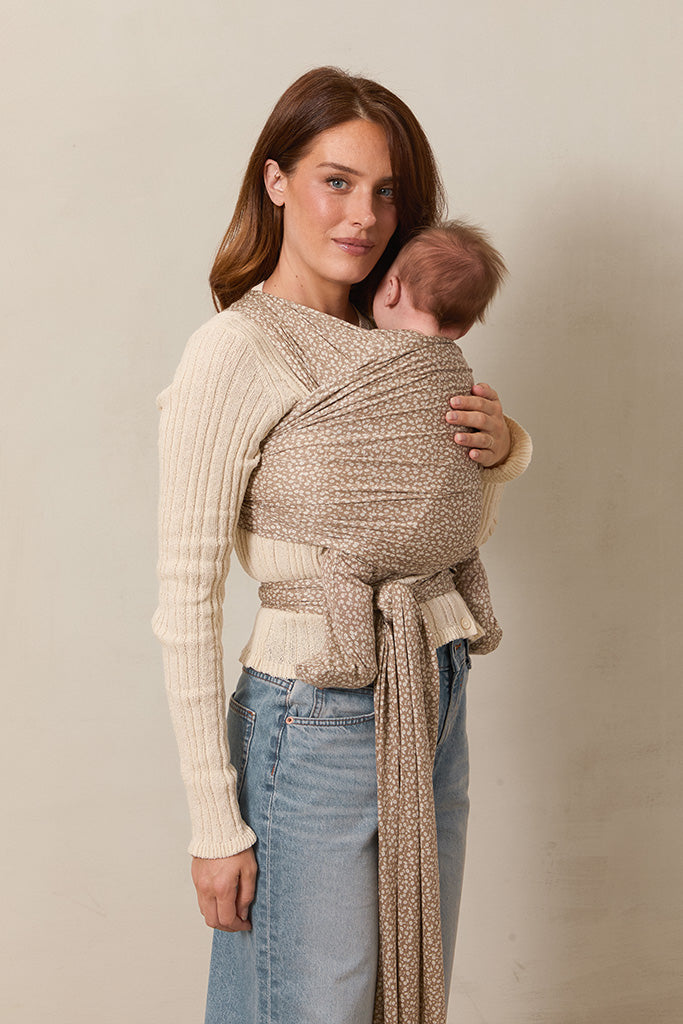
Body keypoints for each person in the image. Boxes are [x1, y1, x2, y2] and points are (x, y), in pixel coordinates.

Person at [151, 66, 532, 1024]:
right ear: (275, 181)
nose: (363, 215)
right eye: (336, 180)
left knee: (401, 993)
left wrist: (509, 447)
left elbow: (444, 511)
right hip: (312, 713)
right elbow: (185, 594)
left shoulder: (407, 340)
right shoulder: (238, 352)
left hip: (431, 685)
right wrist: (213, 819)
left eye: (386, 190)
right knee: (310, 1007)